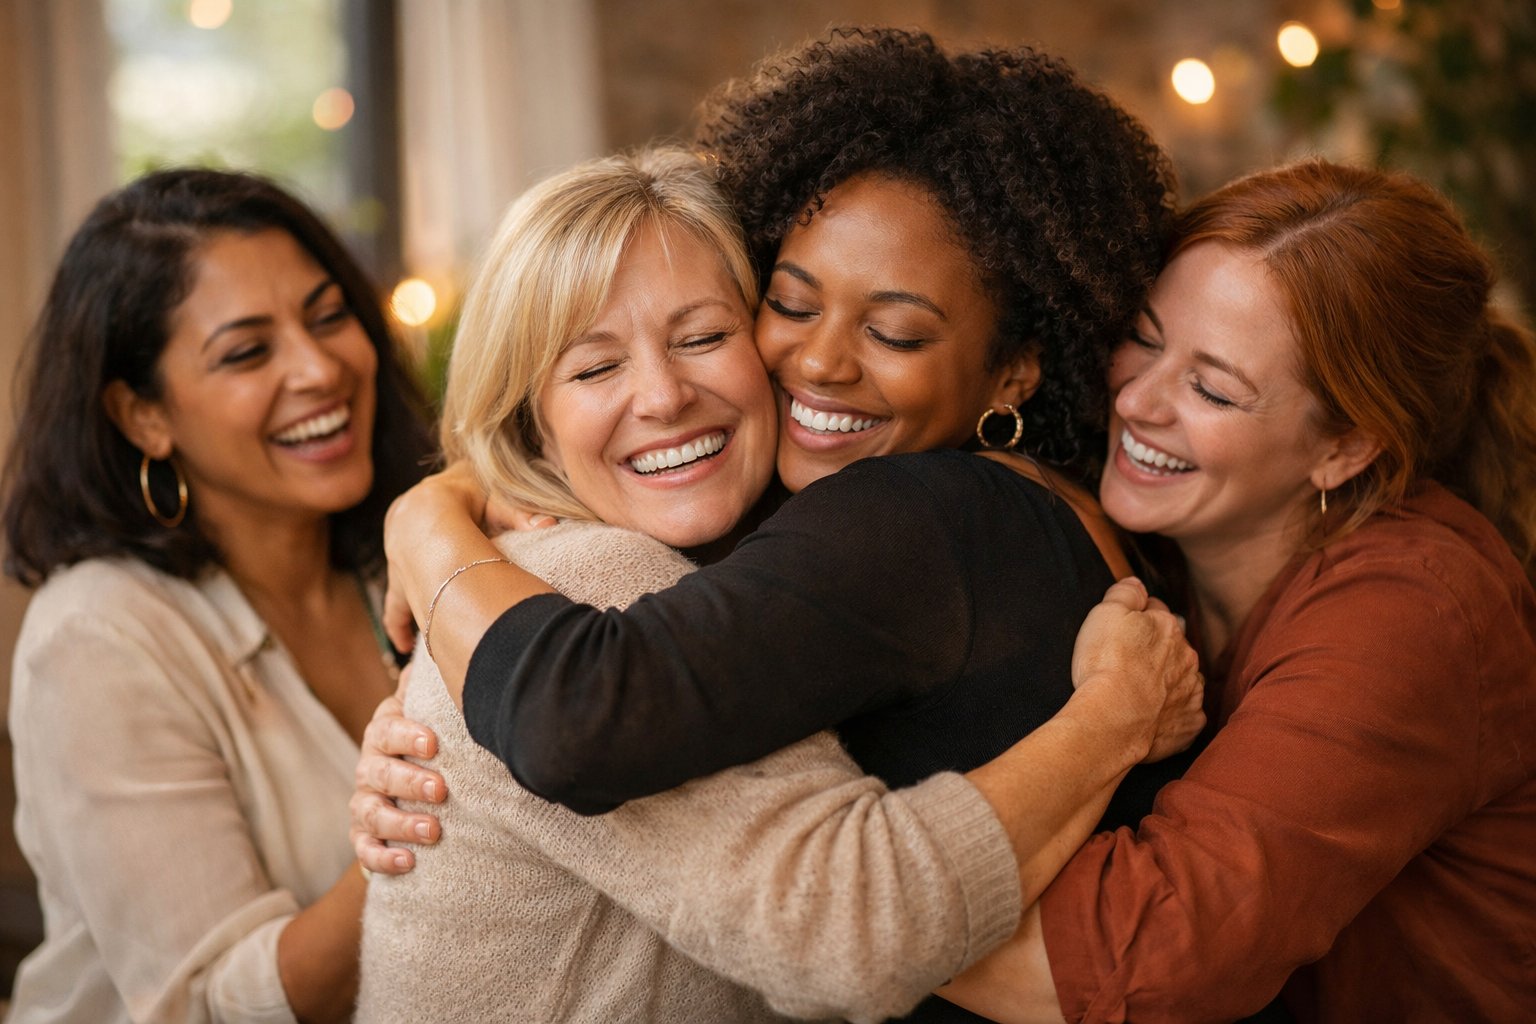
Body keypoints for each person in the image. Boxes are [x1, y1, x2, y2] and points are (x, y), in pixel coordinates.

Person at [355, 28, 1199, 1022]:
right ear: (529, 408)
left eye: (706, 335)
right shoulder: (610, 571)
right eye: (793, 307)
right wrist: (430, 519)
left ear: (1018, 364)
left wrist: (428, 530)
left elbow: (575, 715)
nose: (820, 364)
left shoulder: (899, 512)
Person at [933, 161, 1536, 1022]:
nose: (1137, 400)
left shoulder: (1416, 612)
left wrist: (784, 870)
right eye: (1143, 337)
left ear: (1344, 449)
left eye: (1213, 388)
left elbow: (1132, 959)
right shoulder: (1155, 544)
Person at [2, 168, 433, 1023]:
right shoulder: (96, 638)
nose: (320, 369)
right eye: (246, 352)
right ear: (141, 415)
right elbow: (208, 1005)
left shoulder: (402, 556)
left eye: (328, 316)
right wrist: (444, 810)